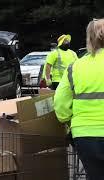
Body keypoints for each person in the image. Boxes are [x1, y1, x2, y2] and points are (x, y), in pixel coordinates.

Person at [54, 18, 104, 180]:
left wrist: (68, 121)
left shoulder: (76, 66)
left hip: (84, 135)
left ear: (89, 39)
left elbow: (60, 103)